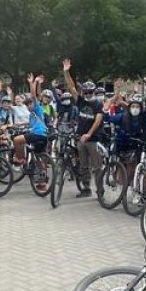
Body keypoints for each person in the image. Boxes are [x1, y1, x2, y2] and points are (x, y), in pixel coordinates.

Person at [62, 58, 106, 199]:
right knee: (83, 166)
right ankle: (86, 189)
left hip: (93, 139)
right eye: (85, 92)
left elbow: (98, 120)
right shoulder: (80, 101)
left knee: (97, 167)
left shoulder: (98, 104)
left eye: (90, 92)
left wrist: (89, 134)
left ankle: (100, 192)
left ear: (94, 91)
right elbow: (71, 87)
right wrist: (66, 72)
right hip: (81, 138)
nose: (87, 94)